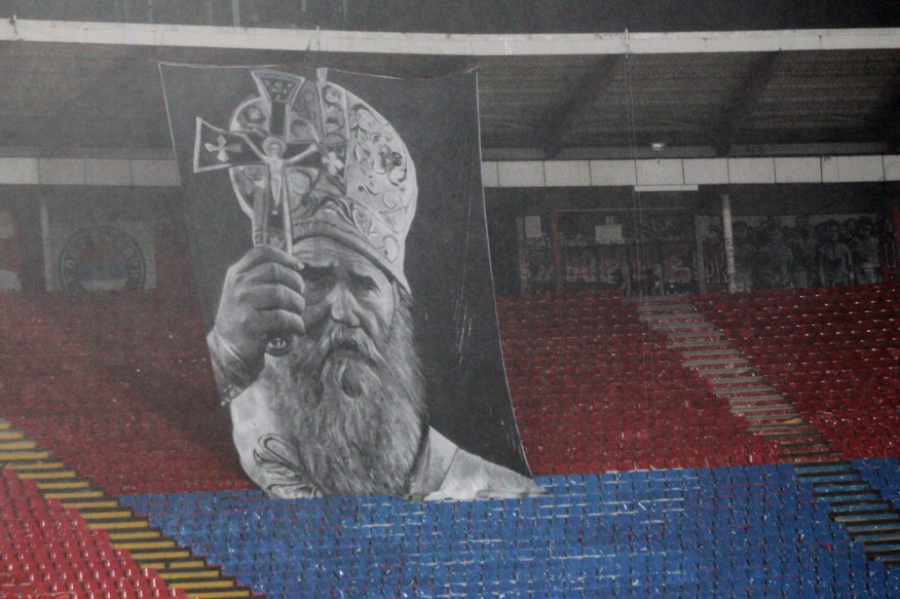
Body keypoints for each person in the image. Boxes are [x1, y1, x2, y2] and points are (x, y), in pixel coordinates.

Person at [198, 68, 543, 501]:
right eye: (315, 278)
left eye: (364, 285)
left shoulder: (494, 489)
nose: (342, 310)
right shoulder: (240, 407)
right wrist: (226, 359)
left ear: (398, 307)